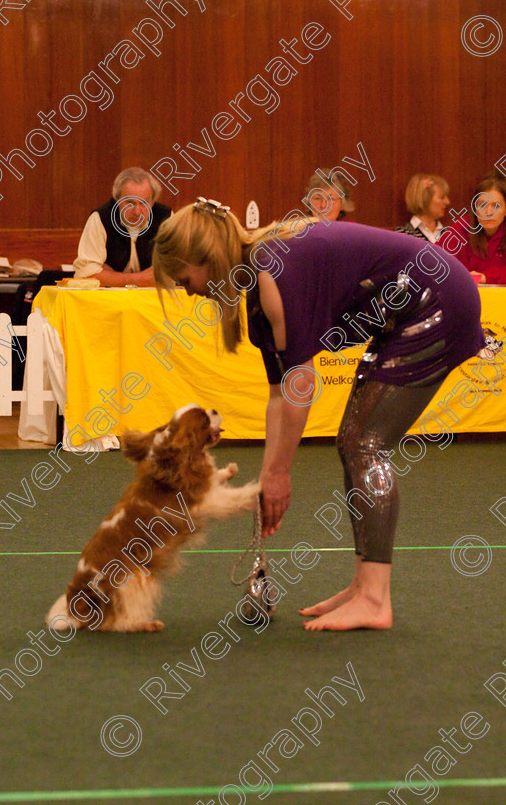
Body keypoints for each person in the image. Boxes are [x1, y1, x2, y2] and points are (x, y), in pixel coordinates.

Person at [153, 198, 485, 632]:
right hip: (414, 303)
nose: (188, 290)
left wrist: (280, 474)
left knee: (366, 444)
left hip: (437, 299)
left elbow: (301, 387)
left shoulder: (272, 271)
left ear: (204, 258)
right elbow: (279, 394)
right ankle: (365, 584)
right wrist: (268, 475)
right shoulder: (259, 278)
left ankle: (374, 597)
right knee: (354, 442)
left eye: (183, 279)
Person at [73, 167, 172, 287]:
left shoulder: (166, 218)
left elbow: (174, 271)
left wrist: (110, 276)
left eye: (144, 203)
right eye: (130, 203)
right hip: (109, 300)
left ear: (153, 200)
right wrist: (141, 279)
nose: (137, 212)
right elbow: (86, 274)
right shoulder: (101, 218)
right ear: (117, 199)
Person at [443, 171, 506, 284]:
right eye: (482, 205)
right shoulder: (460, 228)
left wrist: (486, 278)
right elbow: (438, 263)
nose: (488, 212)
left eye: (496, 206)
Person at [395, 174, 450, 244]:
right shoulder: (403, 235)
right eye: (441, 197)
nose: (447, 202)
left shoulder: (449, 234)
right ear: (425, 199)